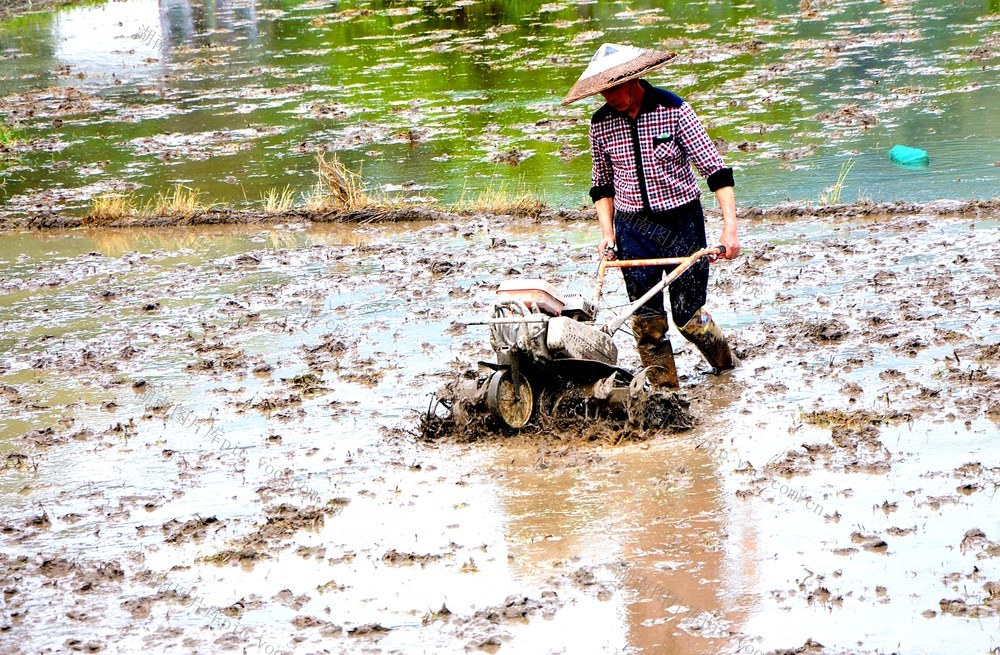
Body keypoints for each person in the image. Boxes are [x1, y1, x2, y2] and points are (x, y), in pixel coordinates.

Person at [562, 43, 740, 389]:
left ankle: (727, 367)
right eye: (603, 90)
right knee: (647, 323)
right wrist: (608, 234)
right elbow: (601, 186)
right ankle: (665, 394)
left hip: (680, 223)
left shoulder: (674, 110)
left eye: (614, 87)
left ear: (634, 78)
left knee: (689, 316)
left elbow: (716, 172)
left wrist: (729, 230)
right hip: (633, 227)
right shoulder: (600, 124)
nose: (609, 96)